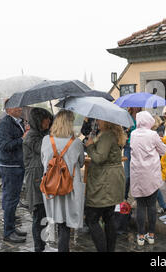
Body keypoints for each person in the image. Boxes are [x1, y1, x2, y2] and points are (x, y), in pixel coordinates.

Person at [41, 110, 85, 252]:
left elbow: (44, 162)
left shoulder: (46, 140)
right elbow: (81, 162)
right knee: (66, 222)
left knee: (58, 220)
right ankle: (63, 248)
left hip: (51, 186)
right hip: (69, 187)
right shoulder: (76, 142)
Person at [85, 119, 126, 252]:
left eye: (99, 119)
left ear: (107, 122)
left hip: (105, 182)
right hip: (111, 180)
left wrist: (90, 146)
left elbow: (99, 158)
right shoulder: (110, 134)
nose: (97, 121)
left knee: (92, 218)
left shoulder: (107, 135)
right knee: (109, 217)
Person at [130, 111, 166, 245]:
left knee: (140, 205)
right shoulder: (153, 134)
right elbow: (163, 151)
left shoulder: (133, 134)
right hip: (151, 174)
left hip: (137, 174)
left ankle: (140, 235)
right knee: (151, 205)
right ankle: (151, 235)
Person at [0, 99, 29, 243]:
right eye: (17, 106)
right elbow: (5, 146)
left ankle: (12, 228)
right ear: (8, 109)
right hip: (10, 167)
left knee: (14, 200)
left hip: (17, 165)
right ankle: (8, 233)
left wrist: (25, 132)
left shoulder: (19, 122)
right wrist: (22, 138)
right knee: (11, 200)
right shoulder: (5, 124)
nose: (20, 108)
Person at [22, 107, 53, 252]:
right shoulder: (32, 136)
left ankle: (42, 245)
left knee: (43, 214)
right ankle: (38, 248)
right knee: (38, 214)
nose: (48, 121)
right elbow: (44, 149)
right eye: (46, 119)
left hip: (40, 177)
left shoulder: (40, 134)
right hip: (35, 179)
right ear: (38, 121)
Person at [123, 107, 141, 201]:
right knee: (127, 175)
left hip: (138, 147)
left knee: (137, 174)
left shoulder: (141, 117)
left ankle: (136, 199)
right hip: (127, 147)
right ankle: (124, 197)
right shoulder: (127, 116)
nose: (136, 107)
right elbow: (121, 132)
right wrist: (127, 131)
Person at [151, 114, 166, 214]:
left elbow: (161, 145)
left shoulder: (159, 130)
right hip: (159, 160)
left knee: (156, 185)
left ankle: (163, 206)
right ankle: (163, 205)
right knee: (156, 184)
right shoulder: (161, 128)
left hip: (158, 160)